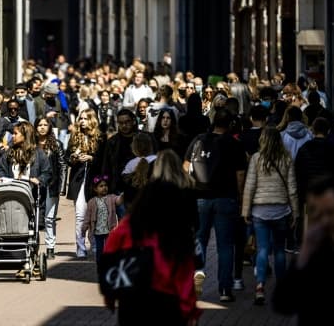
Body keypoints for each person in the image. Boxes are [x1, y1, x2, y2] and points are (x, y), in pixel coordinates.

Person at [102, 180, 201, 325]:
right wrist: (189, 310)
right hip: (167, 303)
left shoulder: (127, 226)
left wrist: (110, 296)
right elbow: (184, 276)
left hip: (131, 303)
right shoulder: (178, 230)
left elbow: (110, 259)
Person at [183, 109, 247, 302]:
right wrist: (241, 198)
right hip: (226, 198)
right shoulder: (235, 144)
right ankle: (225, 290)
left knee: (199, 239)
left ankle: (197, 273)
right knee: (225, 245)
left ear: (213, 121)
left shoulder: (199, 139)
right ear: (230, 125)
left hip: (201, 196)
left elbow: (185, 165)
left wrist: (191, 186)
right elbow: (240, 175)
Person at [273, 178, 334, 325]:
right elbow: (283, 303)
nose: (324, 221)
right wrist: (305, 251)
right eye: (316, 214)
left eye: (331, 212)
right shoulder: (317, 250)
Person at [242, 127, 299, 305]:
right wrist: (296, 212)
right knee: (280, 250)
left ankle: (260, 286)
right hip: (281, 209)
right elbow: (292, 188)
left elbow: (250, 185)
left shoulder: (257, 159)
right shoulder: (286, 158)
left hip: (260, 210)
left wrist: (245, 210)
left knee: (263, 249)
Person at [68, 109, 105, 258]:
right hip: (79, 180)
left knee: (95, 216)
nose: (82, 121)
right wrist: (74, 157)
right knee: (80, 215)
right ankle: (81, 247)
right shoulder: (75, 137)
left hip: (95, 181)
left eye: (85, 118)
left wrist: (91, 158)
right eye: (80, 118)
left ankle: (95, 246)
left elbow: (103, 160)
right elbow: (67, 159)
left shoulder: (100, 138)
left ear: (92, 120)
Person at [36, 117, 67, 259]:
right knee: (34, 217)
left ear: (49, 127)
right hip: (34, 185)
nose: (42, 127)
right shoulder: (31, 144)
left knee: (49, 218)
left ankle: (50, 247)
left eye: (45, 125)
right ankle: (33, 246)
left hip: (51, 185)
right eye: (39, 125)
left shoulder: (56, 144)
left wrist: (61, 187)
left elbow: (63, 165)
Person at [81, 176, 121, 264]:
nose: (104, 188)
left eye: (105, 185)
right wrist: (84, 228)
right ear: (95, 189)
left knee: (109, 248)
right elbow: (87, 217)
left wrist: (124, 194)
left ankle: (108, 263)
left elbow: (118, 200)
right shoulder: (92, 202)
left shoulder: (111, 198)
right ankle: (100, 263)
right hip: (97, 232)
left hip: (109, 230)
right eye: (101, 186)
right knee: (99, 249)